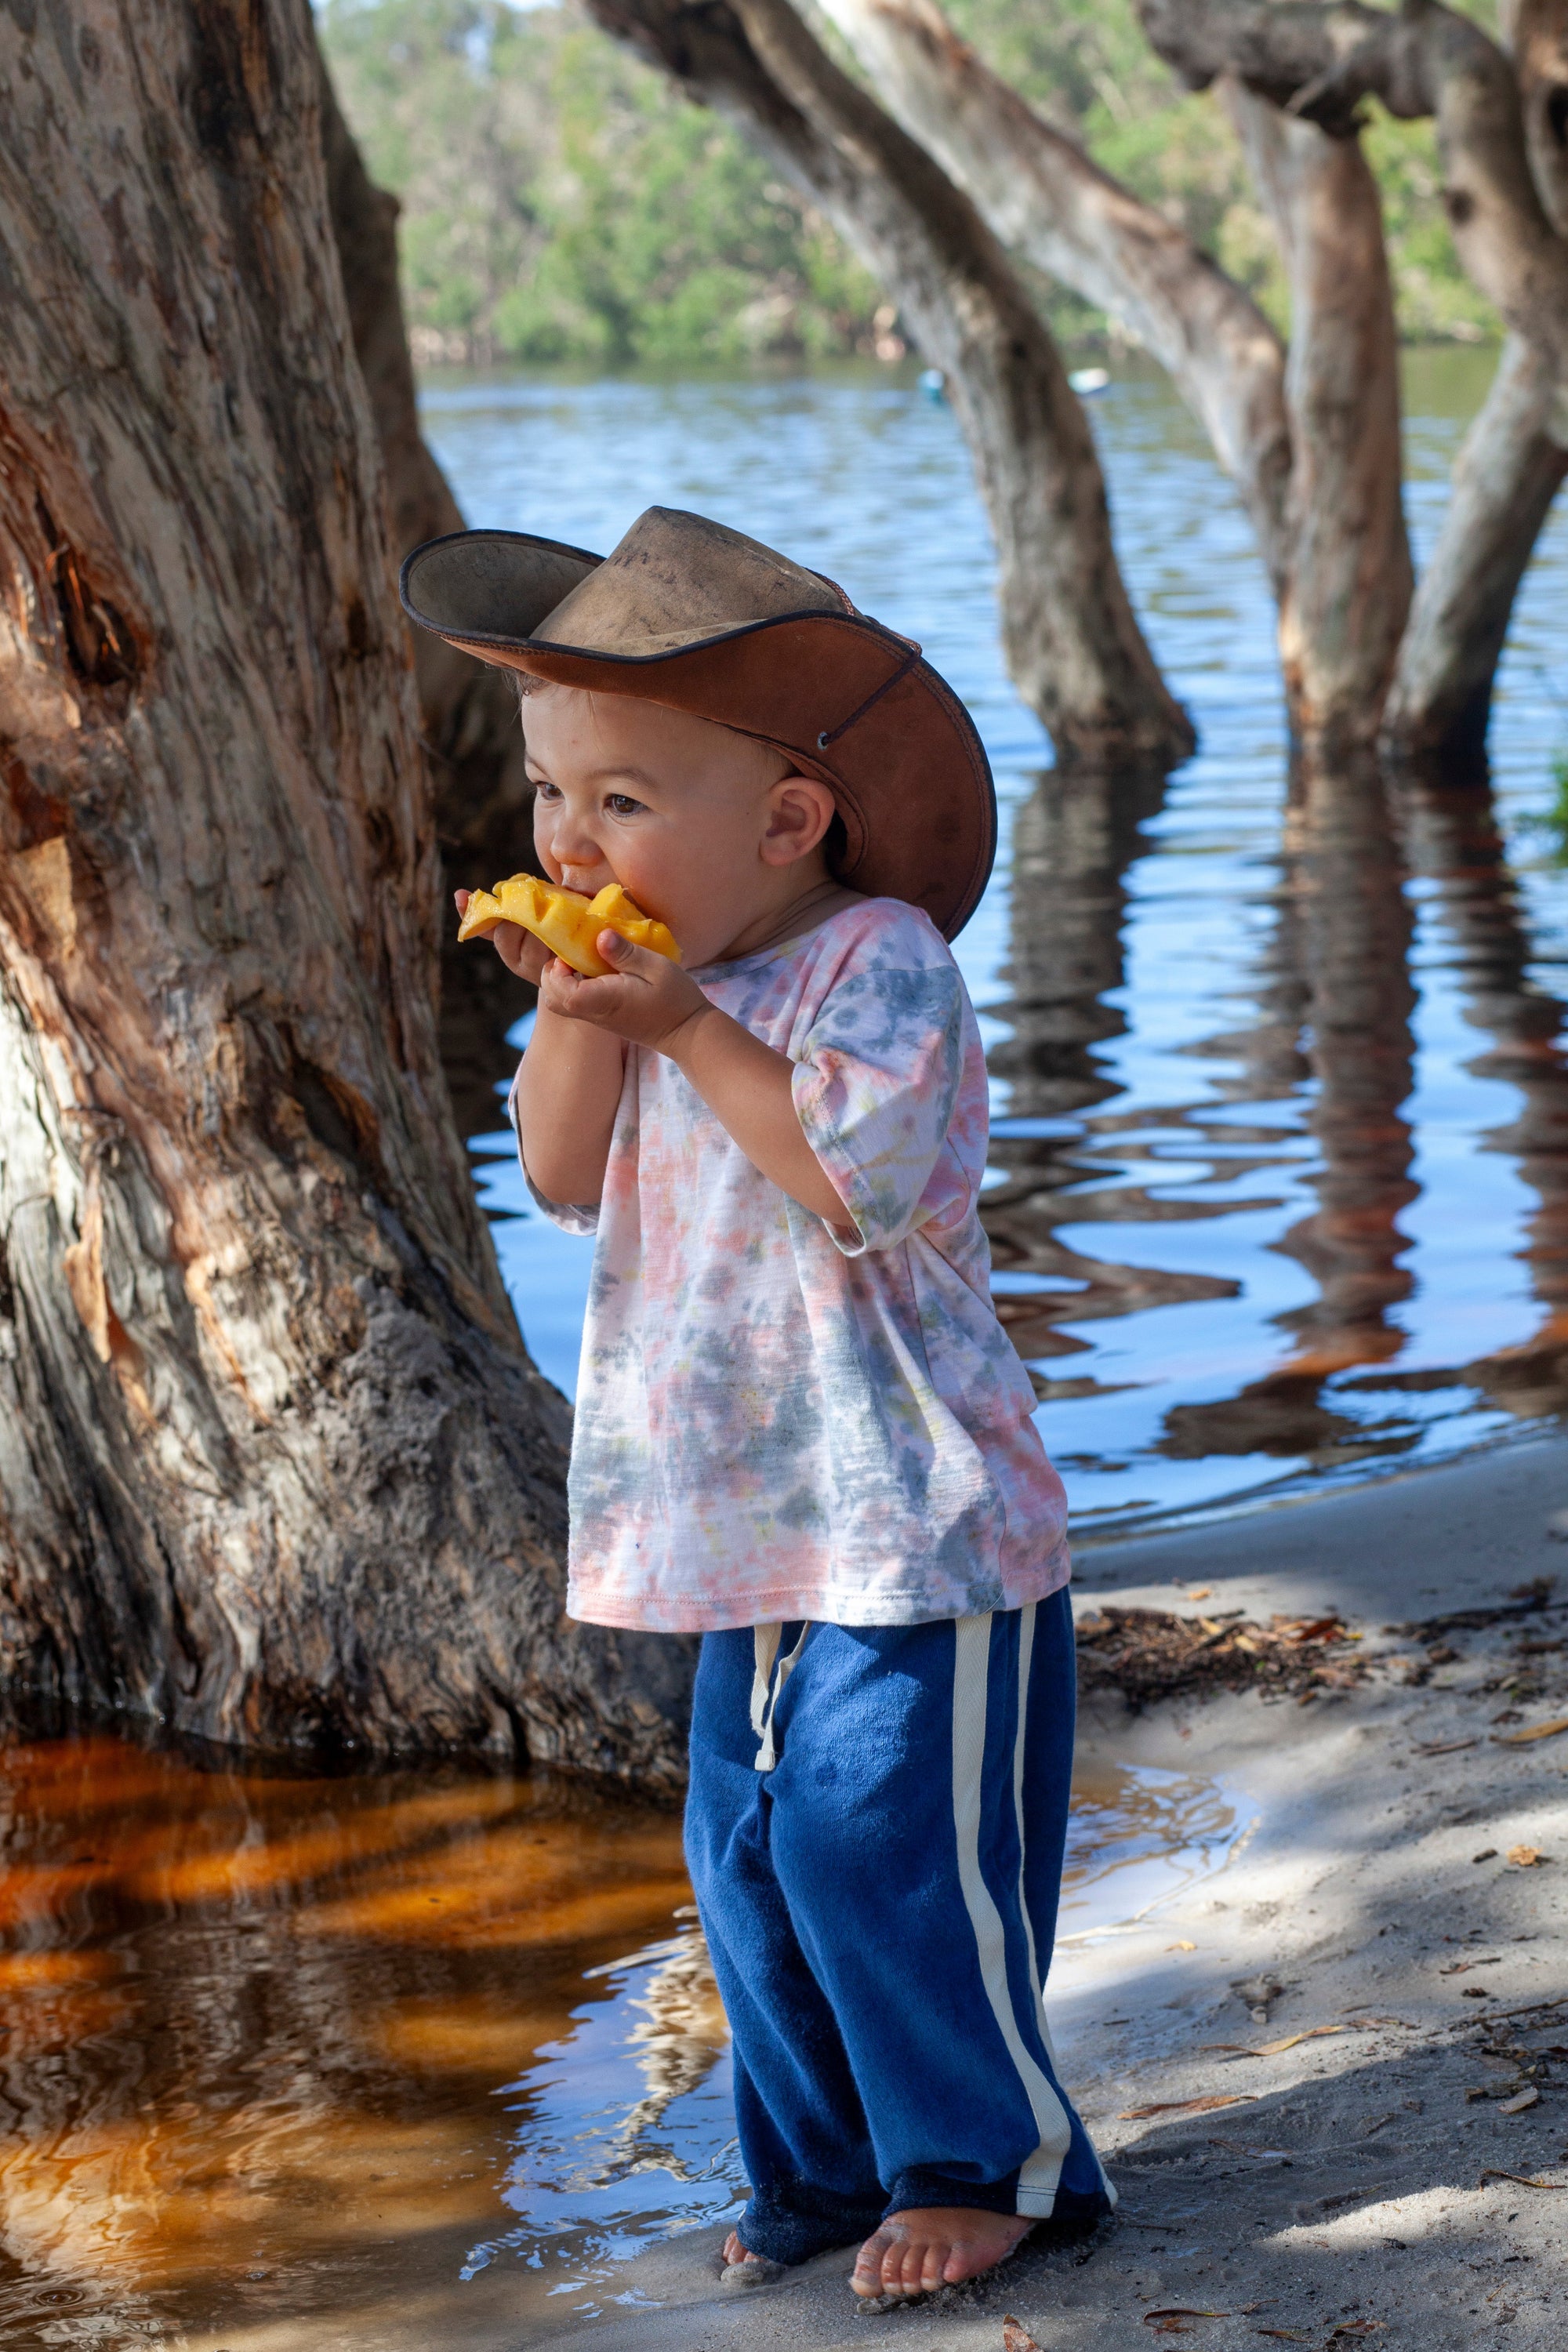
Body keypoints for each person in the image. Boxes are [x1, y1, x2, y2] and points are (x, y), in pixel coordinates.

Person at [401, 506, 1113, 2302]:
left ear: (788, 821)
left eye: (621, 803)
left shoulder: (873, 962)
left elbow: (857, 1186)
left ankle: (987, 2159)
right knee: (747, 1860)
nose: (569, 840)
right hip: (735, 1518)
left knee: (877, 1836)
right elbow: (559, 1175)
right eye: (551, 798)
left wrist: (685, 1031)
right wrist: (576, 1011)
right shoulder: (645, 990)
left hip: (911, 1514)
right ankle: (817, 2169)